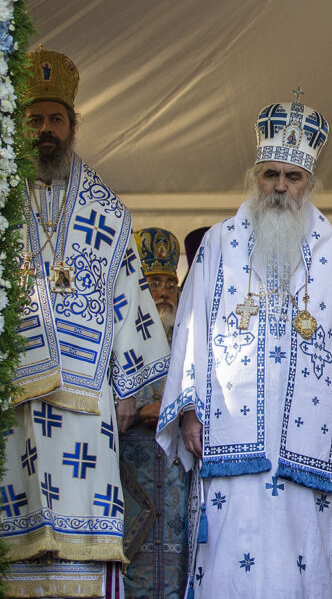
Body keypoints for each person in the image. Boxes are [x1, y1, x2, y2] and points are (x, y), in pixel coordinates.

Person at [156, 96, 332, 598]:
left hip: (308, 438)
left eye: (293, 176)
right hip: (228, 433)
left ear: (309, 182)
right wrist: (189, 411)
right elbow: (191, 329)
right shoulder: (219, 243)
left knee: (299, 555)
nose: (280, 186)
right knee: (230, 554)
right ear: (255, 177)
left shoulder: (330, 252)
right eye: (270, 175)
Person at [0, 49, 170, 597]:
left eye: (56, 119)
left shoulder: (106, 209)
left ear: (72, 125)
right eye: (35, 119)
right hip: (14, 396)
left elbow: (128, 298)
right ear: (18, 124)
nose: (45, 130)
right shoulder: (2, 200)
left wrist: (128, 388)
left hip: (86, 399)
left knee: (83, 527)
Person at [120, 227, 189, 598]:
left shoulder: (193, 343)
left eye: (170, 283)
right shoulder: (119, 342)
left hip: (179, 485)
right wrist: (140, 412)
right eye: (153, 283)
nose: (163, 292)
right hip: (132, 484)